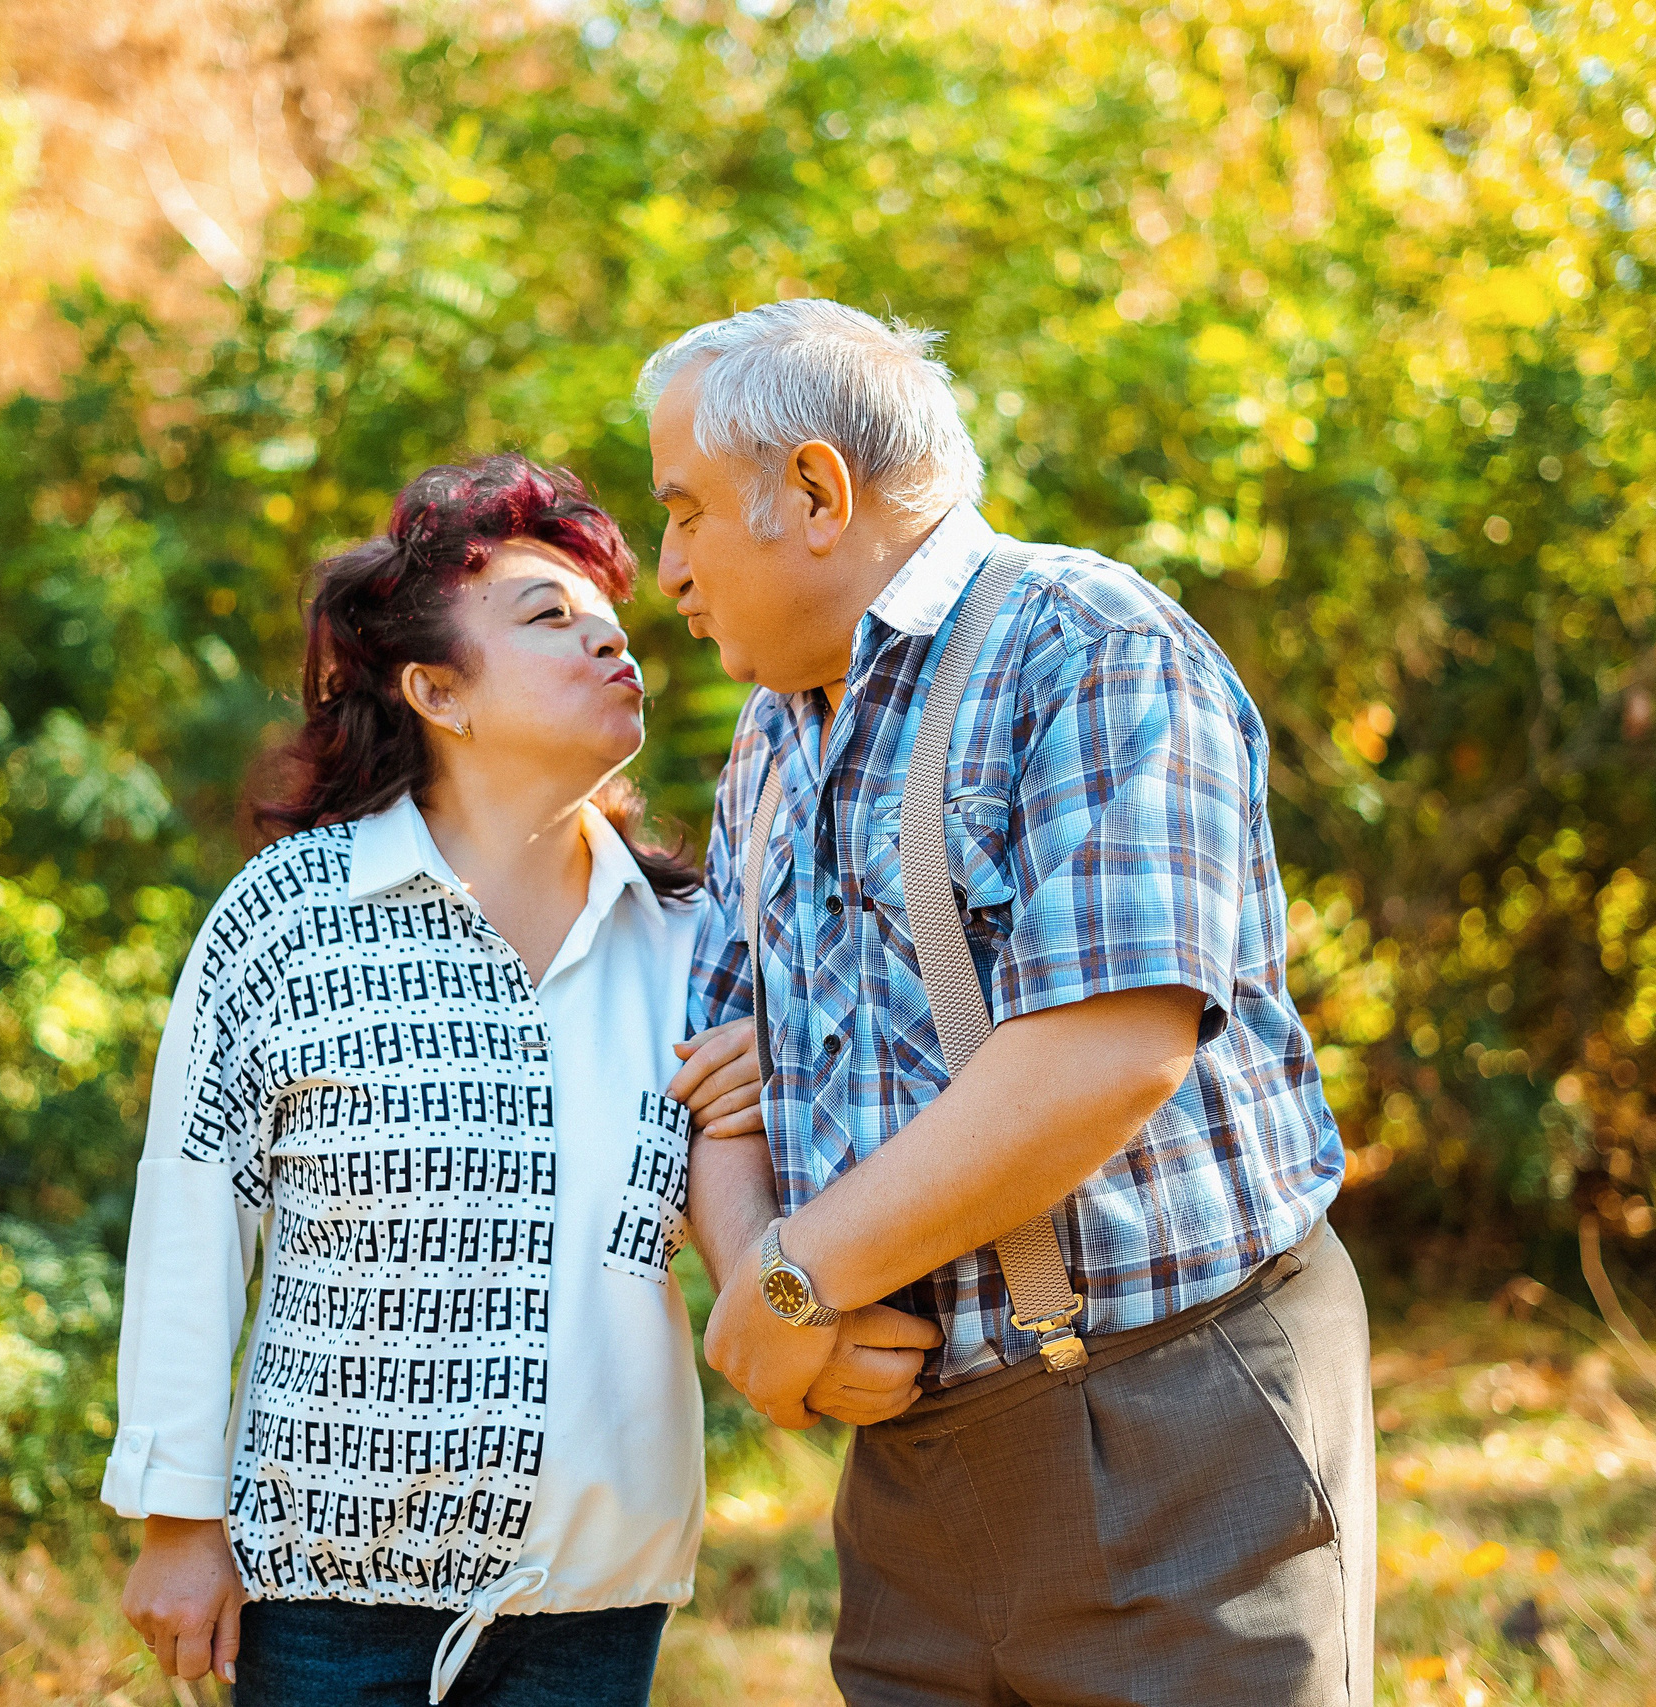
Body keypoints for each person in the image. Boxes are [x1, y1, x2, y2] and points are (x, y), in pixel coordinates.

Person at [644, 300, 1377, 1707]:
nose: (668, 567)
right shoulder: (769, 739)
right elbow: (720, 1069)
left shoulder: (1087, 645)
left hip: (1171, 1414)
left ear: (813, 490)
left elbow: (1107, 1052)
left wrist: (797, 1276)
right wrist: (770, 1296)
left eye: (684, 514)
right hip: (917, 1458)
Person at [98, 454, 807, 1706]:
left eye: (612, 626)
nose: (611, 647)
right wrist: (176, 1518)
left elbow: (754, 1231)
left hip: (595, 1599)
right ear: (436, 690)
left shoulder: (699, 947)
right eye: (551, 621)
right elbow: (192, 1213)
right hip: (326, 1592)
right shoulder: (290, 920)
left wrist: (776, 1094)